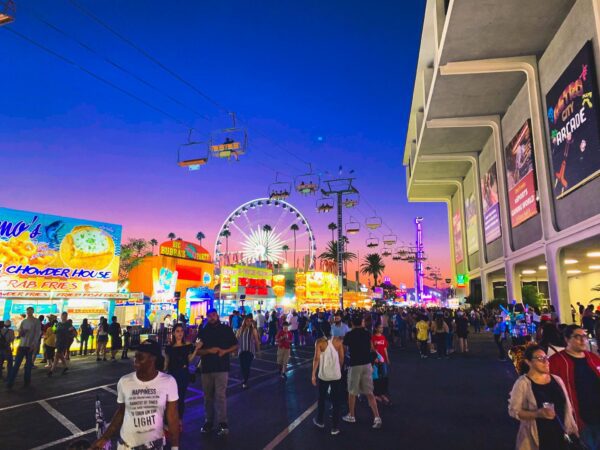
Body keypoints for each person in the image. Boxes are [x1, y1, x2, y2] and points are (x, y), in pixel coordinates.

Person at [90, 340, 180, 450]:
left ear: (153, 359)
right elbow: (122, 411)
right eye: (135, 356)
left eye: (140, 357)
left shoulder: (168, 382)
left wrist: (175, 446)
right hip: (127, 445)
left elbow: (172, 417)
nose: (135, 360)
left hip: (154, 445)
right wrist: (105, 438)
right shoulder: (124, 382)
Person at [508, 345, 578, 450]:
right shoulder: (523, 383)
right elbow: (514, 411)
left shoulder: (557, 380)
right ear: (528, 362)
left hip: (562, 435)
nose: (546, 361)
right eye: (540, 359)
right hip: (538, 437)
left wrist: (573, 429)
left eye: (546, 358)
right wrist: (537, 413)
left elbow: (567, 406)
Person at [550, 325, 600, 450]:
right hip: (579, 419)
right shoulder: (556, 361)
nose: (583, 340)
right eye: (578, 337)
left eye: (584, 336)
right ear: (567, 339)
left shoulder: (593, 358)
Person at [197, 308, 238, 436]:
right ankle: (209, 421)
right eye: (209, 316)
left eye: (214, 315)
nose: (212, 317)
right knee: (208, 397)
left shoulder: (226, 329)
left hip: (222, 368)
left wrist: (225, 351)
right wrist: (209, 351)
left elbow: (236, 345)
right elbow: (197, 350)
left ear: (217, 316)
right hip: (207, 368)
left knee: (220, 396)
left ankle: (222, 422)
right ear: (207, 317)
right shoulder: (203, 331)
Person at [342, 316, 382, 429]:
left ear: (352, 324)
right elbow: (372, 349)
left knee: (352, 392)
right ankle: (377, 417)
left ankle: (352, 415)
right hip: (367, 364)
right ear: (362, 323)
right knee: (370, 392)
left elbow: (344, 351)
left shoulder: (349, 335)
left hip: (355, 365)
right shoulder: (367, 333)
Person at [164, 323, 202, 427]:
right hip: (172, 375)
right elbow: (166, 363)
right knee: (169, 400)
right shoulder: (169, 347)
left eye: (181, 331)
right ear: (173, 333)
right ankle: (168, 422)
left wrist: (196, 349)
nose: (180, 333)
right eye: (177, 331)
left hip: (183, 374)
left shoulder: (188, 345)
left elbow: (189, 359)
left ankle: (179, 420)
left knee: (180, 399)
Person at [311, 321, 344, 435]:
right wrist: (338, 369)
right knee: (336, 401)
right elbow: (341, 358)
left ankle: (320, 421)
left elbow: (316, 359)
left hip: (324, 375)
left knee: (322, 398)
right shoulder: (338, 341)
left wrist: (313, 375)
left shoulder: (319, 342)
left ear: (321, 330)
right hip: (336, 375)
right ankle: (335, 427)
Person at [6, 306, 41, 388]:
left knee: (28, 366)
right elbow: (20, 334)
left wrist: (34, 344)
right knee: (16, 365)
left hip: (29, 346)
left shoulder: (36, 321)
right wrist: (22, 332)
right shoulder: (23, 321)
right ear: (26, 312)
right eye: (27, 311)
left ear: (32, 312)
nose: (28, 312)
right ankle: (10, 382)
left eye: (30, 311)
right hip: (22, 345)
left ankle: (26, 382)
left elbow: (37, 334)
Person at [237, 314, 260, 389]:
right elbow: (236, 339)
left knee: (247, 366)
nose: (249, 322)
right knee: (242, 367)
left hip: (249, 351)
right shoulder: (240, 329)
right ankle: (245, 379)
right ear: (245, 321)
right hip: (241, 351)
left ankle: (245, 381)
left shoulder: (253, 330)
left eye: (250, 321)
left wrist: (258, 351)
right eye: (247, 321)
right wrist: (234, 350)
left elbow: (256, 341)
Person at [371, 324, 391, 404]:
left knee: (384, 375)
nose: (382, 329)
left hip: (383, 360)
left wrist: (387, 358)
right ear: (376, 328)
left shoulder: (383, 337)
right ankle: (376, 393)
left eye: (382, 327)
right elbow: (372, 349)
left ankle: (382, 392)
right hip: (376, 360)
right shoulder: (373, 338)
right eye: (380, 327)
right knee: (376, 377)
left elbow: (385, 348)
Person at [48, 312, 71, 376]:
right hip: (58, 341)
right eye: (63, 316)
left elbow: (72, 332)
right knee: (59, 355)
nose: (64, 317)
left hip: (63, 342)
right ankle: (65, 367)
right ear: (61, 316)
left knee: (57, 355)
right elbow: (54, 332)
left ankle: (51, 370)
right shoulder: (58, 324)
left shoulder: (68, 324)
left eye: (65, 316)